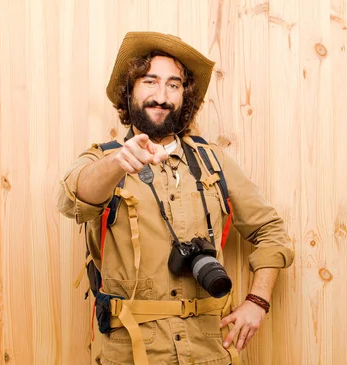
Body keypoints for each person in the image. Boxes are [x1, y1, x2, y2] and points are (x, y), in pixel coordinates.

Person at [57, 31, 294, 365]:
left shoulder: (214, 161)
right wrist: (117, 163)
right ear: (130, 92)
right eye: (149, 81)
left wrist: (258, 300)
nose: (161, 96)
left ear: (185, 96)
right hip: (133, 354)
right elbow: (72, 198)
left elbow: (271, 231)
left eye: (173, 84)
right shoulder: (105, 160)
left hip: (211, 352)